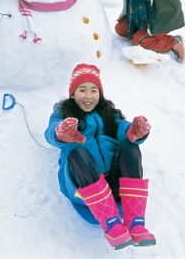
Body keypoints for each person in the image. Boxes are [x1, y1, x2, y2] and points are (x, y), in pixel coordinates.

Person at [44, 63, 156, 250]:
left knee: (130, 147)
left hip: (115, 184)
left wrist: (133, 131)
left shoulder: (108, 113)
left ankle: (136, 223)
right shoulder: (64, 114)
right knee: (77, 152)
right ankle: (111, 223)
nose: (88, 96)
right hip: (83, 185)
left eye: (94, 90)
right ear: (72, 93)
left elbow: (122, 128)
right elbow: (50, 133)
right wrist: (60, 133)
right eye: (82, 90)